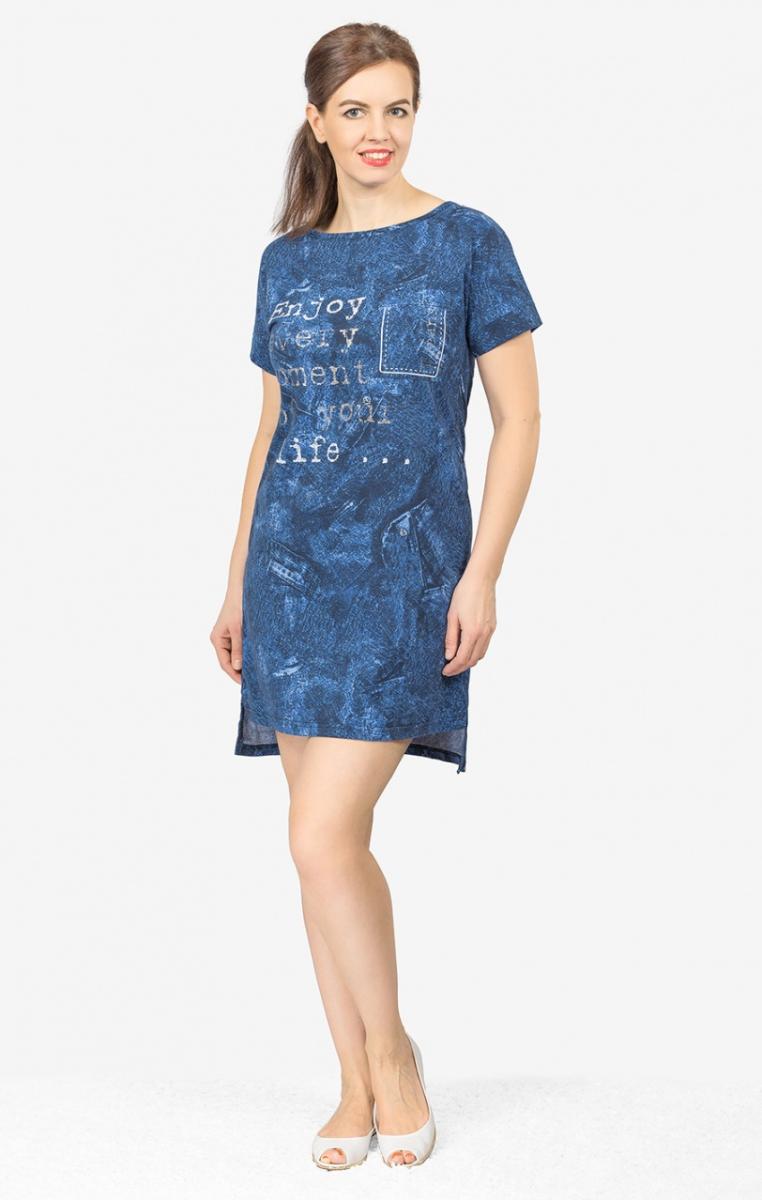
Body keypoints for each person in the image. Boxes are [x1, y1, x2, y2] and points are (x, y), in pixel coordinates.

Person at [210, 21, 542, 1170]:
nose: (377, 131)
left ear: (415, 115)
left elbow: (520, 418)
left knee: (322, 833)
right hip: (290, 578)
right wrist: (235, 581)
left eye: (396, 108)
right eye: (354, 110)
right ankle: (351, 1082)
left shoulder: (467, 242)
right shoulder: (287, 262)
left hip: (405, 577)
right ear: (316, 122)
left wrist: (483, 570)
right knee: (315, 848)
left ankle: (392, 1054)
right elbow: (271, 430)